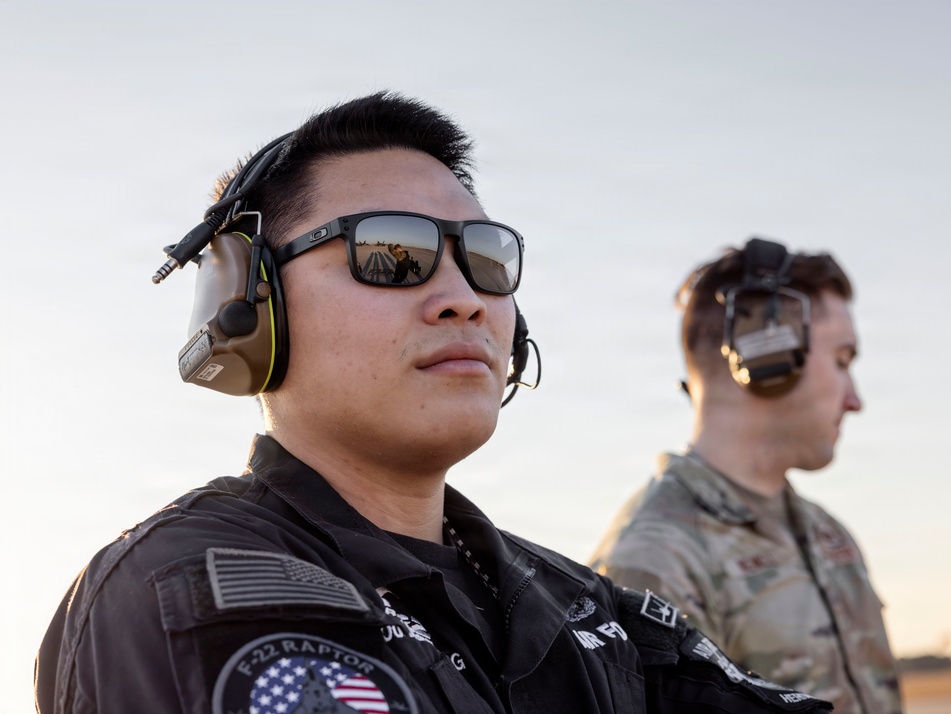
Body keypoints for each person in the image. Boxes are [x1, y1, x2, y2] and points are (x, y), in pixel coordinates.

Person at [35, 94, 832, 714]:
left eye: (486, 260)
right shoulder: (186, 586)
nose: (463, 299)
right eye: (391, 254)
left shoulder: (582, 607)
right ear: (250, 302)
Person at [589, 238, 902, 714]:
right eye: (841, 361)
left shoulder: (828, 534)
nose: (855, 399)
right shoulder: (653, 562)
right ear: (767, 349)